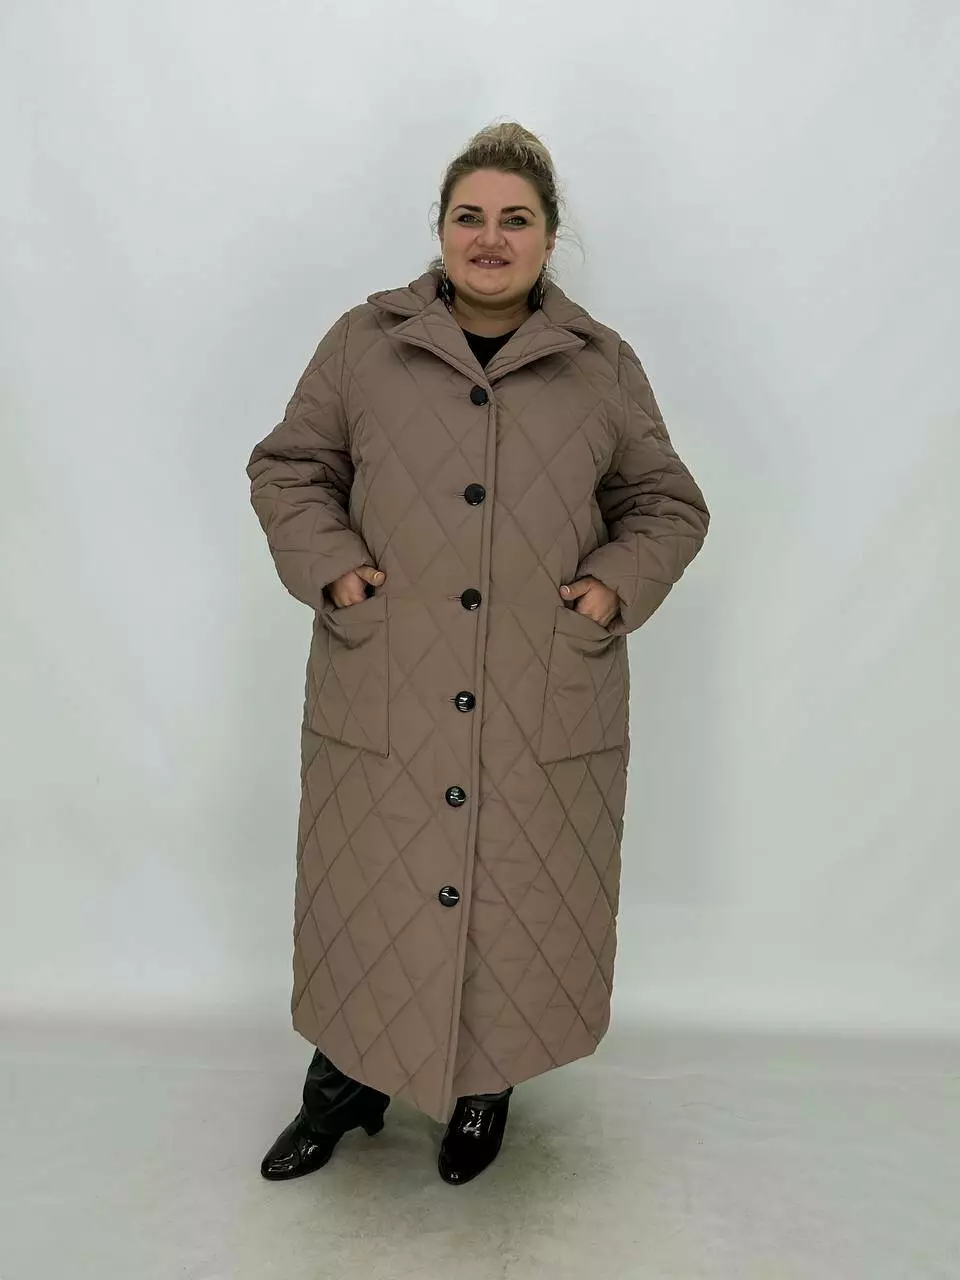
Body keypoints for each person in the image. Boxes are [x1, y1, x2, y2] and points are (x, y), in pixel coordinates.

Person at [246, 121, 710, 1187]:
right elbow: (289, 468)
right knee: (372, 888)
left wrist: (611, 588)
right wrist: (337, 570)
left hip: (536, 690)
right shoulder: (363, 343)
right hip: (391, 682)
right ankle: (342, 1088)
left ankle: (484, 1087)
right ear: (441, 228)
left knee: (513, 897)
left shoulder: (601, 365)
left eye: (515, 219)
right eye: (470, 216)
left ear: (549, 237)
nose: (490, 238)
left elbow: (666, 503)